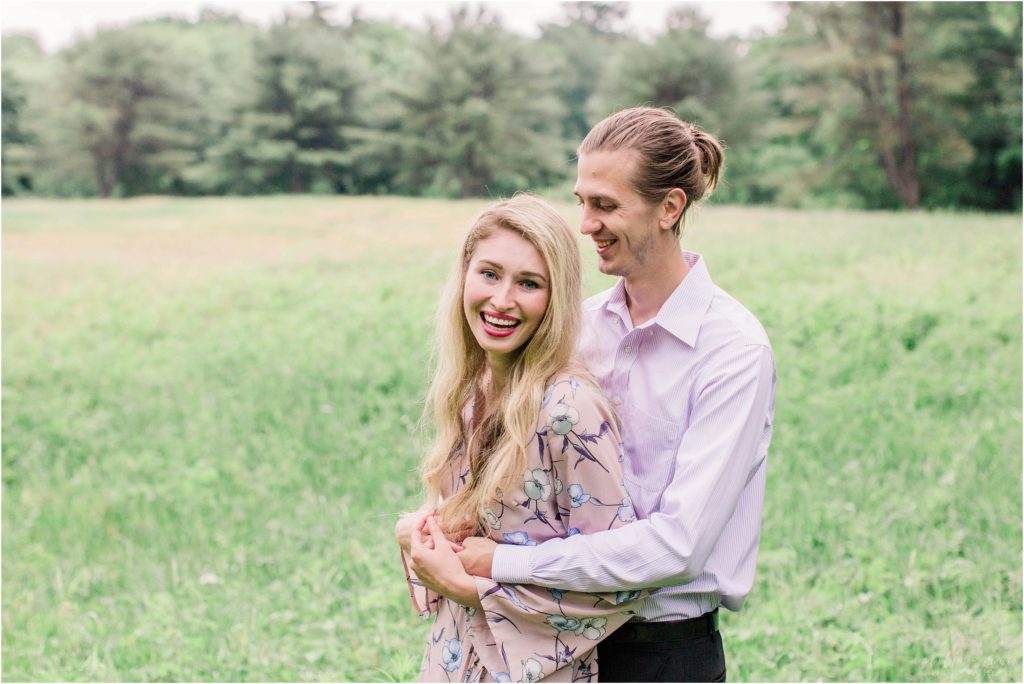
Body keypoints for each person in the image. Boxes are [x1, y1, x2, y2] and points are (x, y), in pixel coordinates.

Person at [456, 107, 777, 682]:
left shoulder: (732, 350)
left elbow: (679, 548)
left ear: (669, 208)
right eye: (581, 201)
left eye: (605, 205)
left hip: (660, 654)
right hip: (548, 636)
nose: (585, 224)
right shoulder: (574, 327)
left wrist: (505, 563)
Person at [395, 194, 646, 682]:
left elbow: (620, 581)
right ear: (464, 274)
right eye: (489, 273)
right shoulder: (472, 388)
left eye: (528, 283)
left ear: (556, 299)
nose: (502, 300)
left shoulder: (569, 409)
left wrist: (474, 589)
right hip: (454, 660)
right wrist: (420, 530)